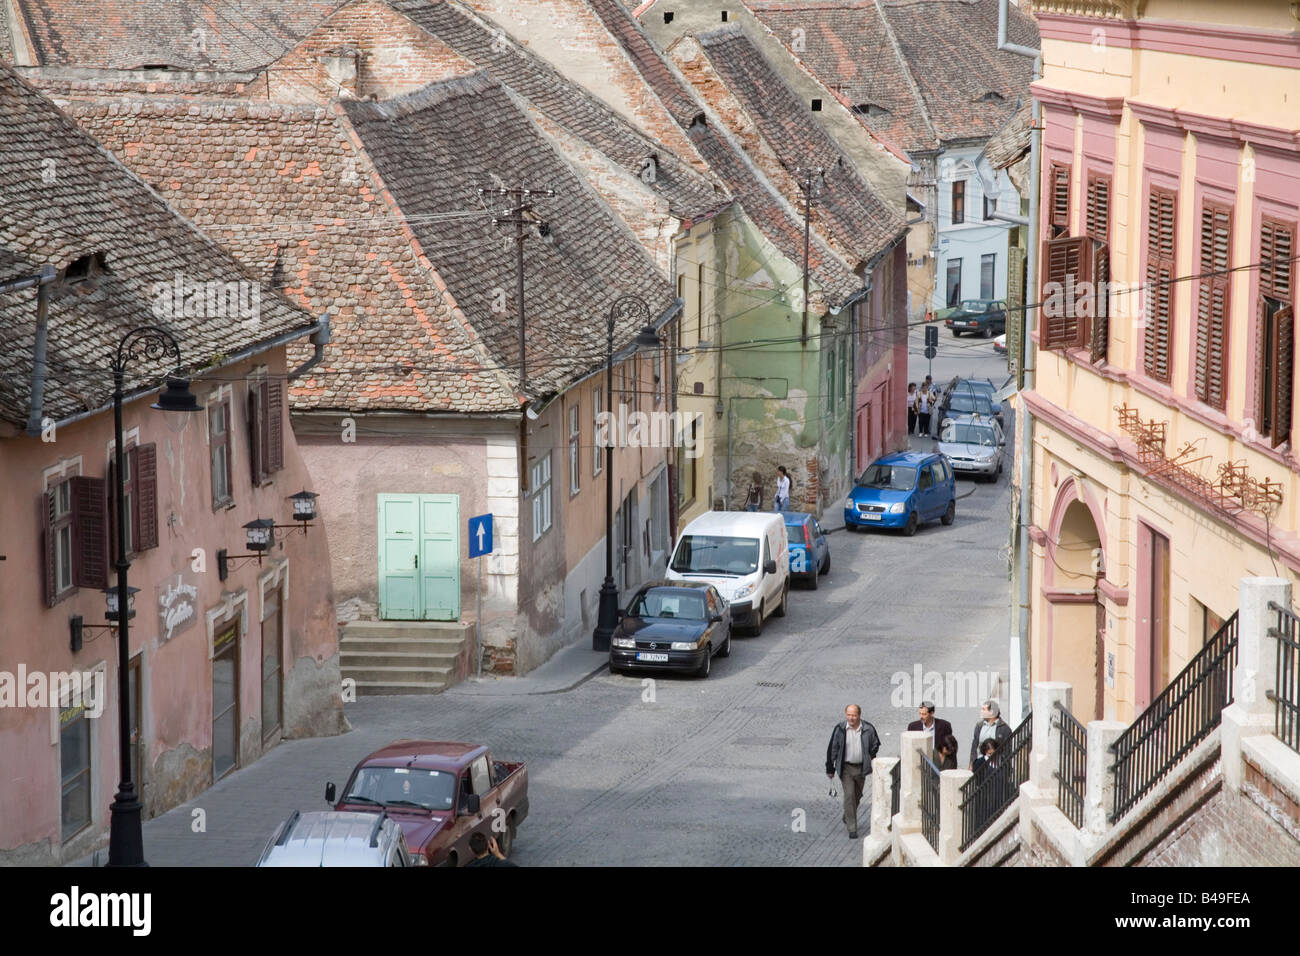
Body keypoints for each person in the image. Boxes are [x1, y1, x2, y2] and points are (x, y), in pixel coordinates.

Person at [825, 704, 881, 839]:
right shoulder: (840, 729)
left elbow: (875, 743)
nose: (851, 718)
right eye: (849, 715)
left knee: (857, 795)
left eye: (854, 715)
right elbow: (832, 748)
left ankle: (847, 815)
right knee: (849, 795)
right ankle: (852, 828)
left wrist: (870, 756)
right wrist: (830, 768)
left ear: (859, 715)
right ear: (846, 715)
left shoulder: (868, 728)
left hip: (862, 767)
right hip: (846, 768)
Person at [968, 699, 1012, 770]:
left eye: (984, 709)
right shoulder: (979, 726)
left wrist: (1005, 766)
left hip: (997, 765)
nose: (981, 711)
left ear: (991, 712)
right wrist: (971, 763)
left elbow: (1007, 750)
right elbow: (974, 745)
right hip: (980, 764)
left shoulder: (1004, 728)